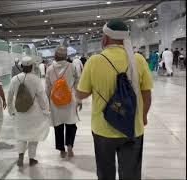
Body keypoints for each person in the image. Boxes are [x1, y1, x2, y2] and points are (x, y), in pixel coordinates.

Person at [76, 19, 153, 179]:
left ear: (106, 37)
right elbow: (147, 94)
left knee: (105, 172)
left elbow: (81, 94)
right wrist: (143, 116)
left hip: (103, 128)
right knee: (131, 173)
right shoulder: (138, 60)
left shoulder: (94, 61)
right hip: (133, 127)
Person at [7, 56, 50, 167]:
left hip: (19, 112)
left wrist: (11, 110)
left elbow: (10, 96)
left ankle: (20, 155)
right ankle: (31, 159)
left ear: (21, 66)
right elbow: (42, 96)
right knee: (33, 135)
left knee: (21, 134)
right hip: (34, 112)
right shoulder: (35, 79)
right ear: (32, 67)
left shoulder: (14, 79)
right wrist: (46, 110)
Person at [45, 46, 80, 158]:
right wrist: (78, 99)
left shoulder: (50, 68)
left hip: (55, 101)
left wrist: (48, 102)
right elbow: (77, 82)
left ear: (55, 55)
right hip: (70, 99)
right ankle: (69, 146)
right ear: (66, 56)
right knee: (71, 124)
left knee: (58, 126)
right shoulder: (72, 66)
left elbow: (47, 87)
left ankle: (61, 150)